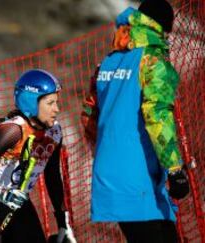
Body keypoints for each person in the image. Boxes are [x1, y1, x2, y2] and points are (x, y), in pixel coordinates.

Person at [81, 0, 190, 242]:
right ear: (161, 28)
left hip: (111, 178)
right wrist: (174, 168)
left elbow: (89, 118)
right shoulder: (152, 61)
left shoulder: (106, 63)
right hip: (138, 180)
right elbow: (157, 116)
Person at [0, 69, 77, 243]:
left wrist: (63, 222)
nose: (57, 109)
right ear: (31, 102)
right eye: (50, 103)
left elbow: (52, 177)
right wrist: (3, 193)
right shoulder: (13, 130)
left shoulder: (54, 132)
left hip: (19, 209)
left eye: (57, 102)